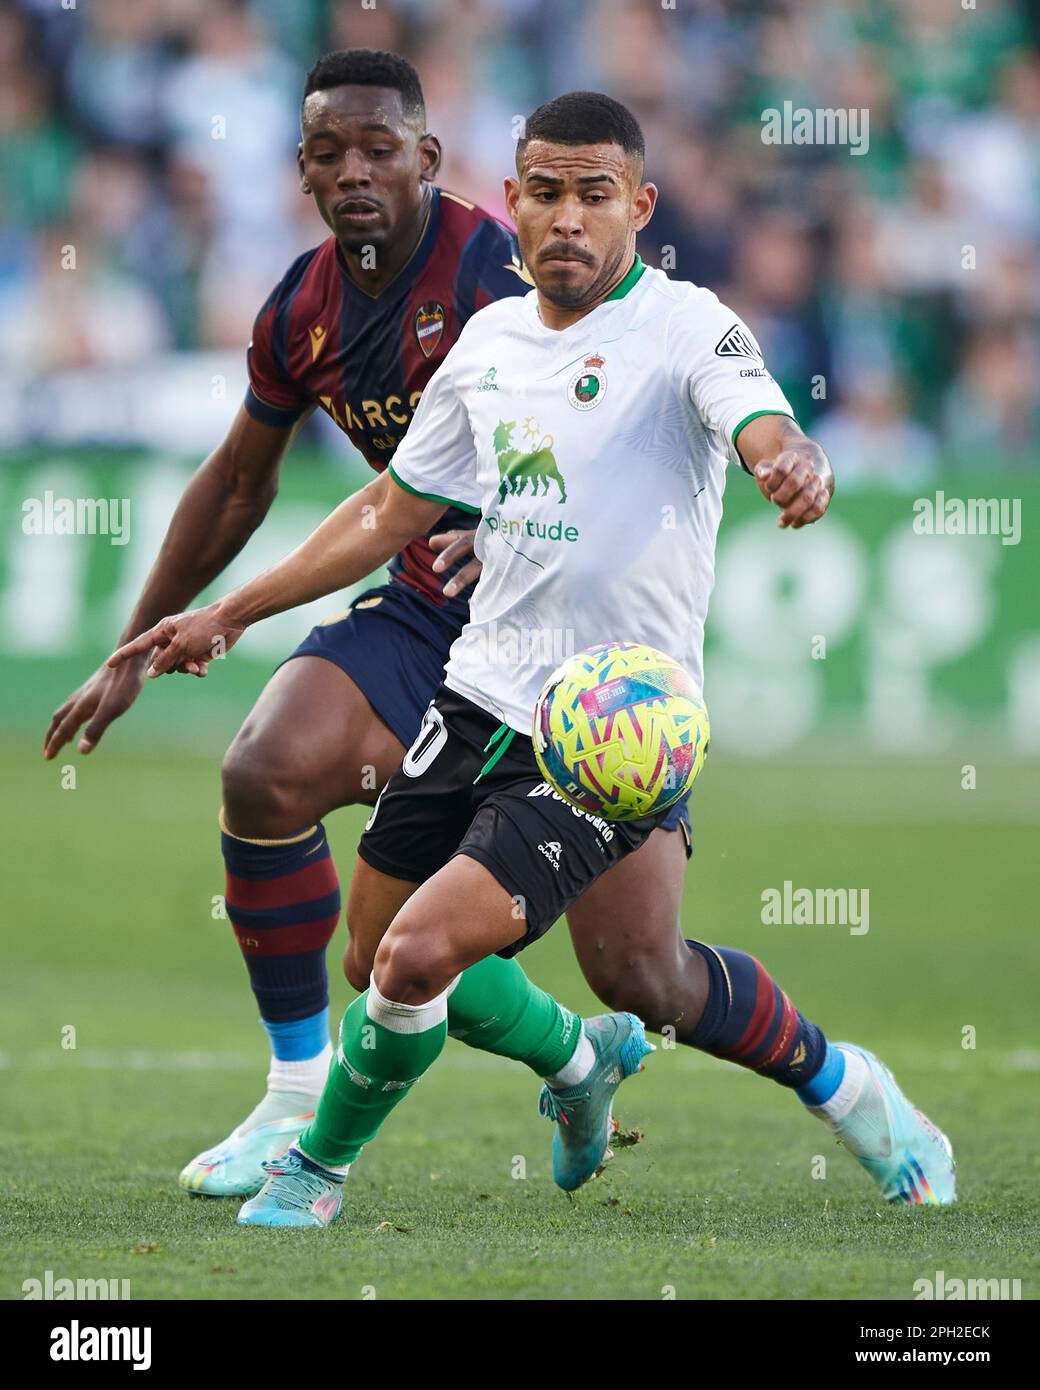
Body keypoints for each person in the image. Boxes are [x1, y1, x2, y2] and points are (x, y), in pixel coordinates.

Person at [110, 91, 956, 1226]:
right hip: (476, 695)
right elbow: (388, 510)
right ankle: (600, 1064)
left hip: (608, 727)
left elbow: (760, 421)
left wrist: (791, 457)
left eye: (592, 196)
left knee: (418, 956)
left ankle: (313, 1172)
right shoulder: (490, 341)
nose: (566, 218)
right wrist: (231, 611)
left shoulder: (687, 327)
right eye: (545, 193)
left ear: (637, 207)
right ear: (510, 201)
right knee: (583, 976)